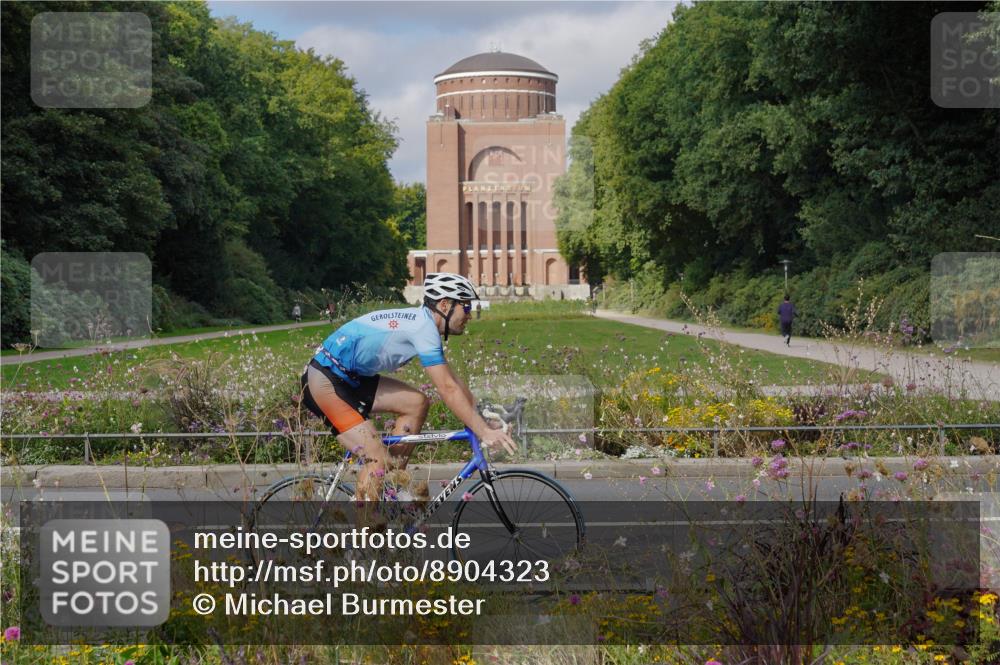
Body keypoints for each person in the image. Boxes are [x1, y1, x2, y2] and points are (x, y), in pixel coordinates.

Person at [299, 272, 517, 502]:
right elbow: (447, 389)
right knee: (377, 460)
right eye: (466, 306)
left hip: (348, 377)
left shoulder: (423, 324)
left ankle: (390, 484)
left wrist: (481, 419)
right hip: (324, 379)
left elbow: (453, 382)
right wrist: (483, 432)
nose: (470, 314)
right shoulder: (422, 328)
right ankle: (365, 533)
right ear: (445, 304)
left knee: (417, 403)